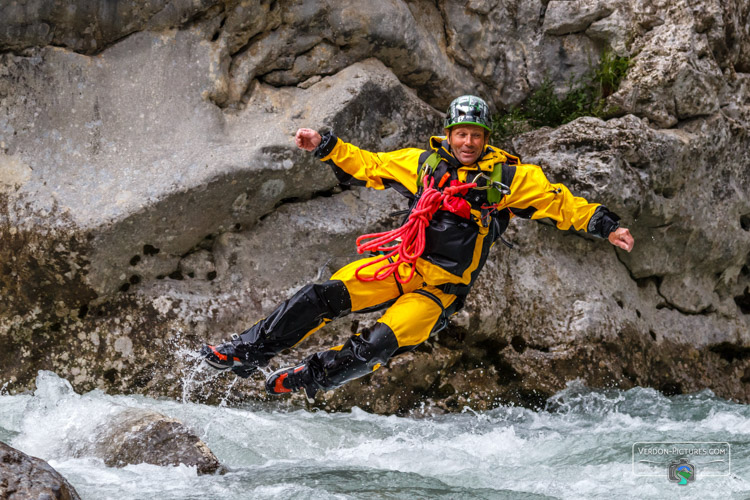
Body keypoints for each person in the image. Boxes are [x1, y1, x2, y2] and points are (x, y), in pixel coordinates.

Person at [200, 95, 635, 400]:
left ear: (486, 138)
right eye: (461, 134)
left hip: (438, 293)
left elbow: (558, 203)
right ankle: (245, 351)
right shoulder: (422, 164)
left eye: (476, 135)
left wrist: (605, 225)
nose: (467, 142)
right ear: (449, 134)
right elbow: (371, 165)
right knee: (321, 296)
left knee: (377, 344)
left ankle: (310, 378)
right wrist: (326, 146)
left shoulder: (509, 179)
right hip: (400, 266)